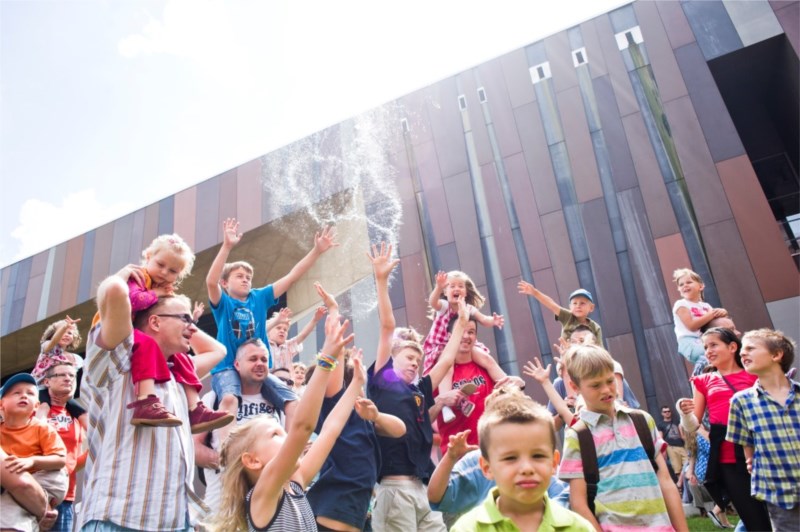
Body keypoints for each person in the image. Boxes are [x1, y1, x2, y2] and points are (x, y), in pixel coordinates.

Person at [79, 268, 226, 530]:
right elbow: (114, 291)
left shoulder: (178, 372)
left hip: (175, 522)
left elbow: (219, 350)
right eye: (185, 319)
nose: (193, 328)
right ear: (155, 323)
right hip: (118, 520)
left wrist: (180, 314)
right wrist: (136, 281)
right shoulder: (119, 363)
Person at [208, 312, 355, 531]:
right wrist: (326, 360)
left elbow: (330, 431)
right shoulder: (263, 496)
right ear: (253, 461)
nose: (287, 437)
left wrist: (356, 385)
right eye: (275, 434)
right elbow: (302, 428)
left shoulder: (295, 483)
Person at [206, 218, 337, 443]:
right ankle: (224, 449)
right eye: (239, 276)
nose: (246, 280)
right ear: (225, 283)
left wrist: (316, 251)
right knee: (229, 399)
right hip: (227, 367)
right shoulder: (224, 304)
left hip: (260, 368)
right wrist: (227, 246)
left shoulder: (260, 297)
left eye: (248, 277)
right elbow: (210, 282)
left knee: (292, 401)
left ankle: (288, 447)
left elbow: (292, 276)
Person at [366, 242, 463, 532]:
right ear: (393, 357)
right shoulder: (382, 379)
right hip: (393, 487)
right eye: (409, 357)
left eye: (418, 360)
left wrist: (459, 326)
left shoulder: (419, 389)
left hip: (422, 486)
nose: (415, 363)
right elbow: (386, 326)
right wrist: (381, 281)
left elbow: (445, 361)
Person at [101, 233, 233, 432]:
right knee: (148, 343)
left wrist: (182, 320)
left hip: (141, 332)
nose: (164, 272)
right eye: (160, 264)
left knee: (182, 358)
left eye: (172, 271)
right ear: (148, 257)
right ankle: (145, 400)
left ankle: (195, 407)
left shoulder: (161, 287)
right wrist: (156, 294)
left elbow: (218, 350)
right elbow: (130, 299)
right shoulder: (138, 277)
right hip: (123, 332)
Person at [559, 344, 687, 531]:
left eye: (610, 381)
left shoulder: (642, 421)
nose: (606, 390)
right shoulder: (578, 436)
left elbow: (666, 482)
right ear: (574, 386)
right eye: (595, 385)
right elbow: (578, 503)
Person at [450, 386, 593, 531]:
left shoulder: (579, 528)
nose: (527, 468)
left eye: (538, 456)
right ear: (487, 467)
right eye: (511, 458)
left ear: (554, 462)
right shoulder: (466, 529)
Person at [676, 327, 772, 531]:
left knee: (782, 514)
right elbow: (694, 424)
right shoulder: (703, 380)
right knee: (754, 520)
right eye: (705, 347)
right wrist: (684, 413)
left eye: (713, 345)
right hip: (728, 458)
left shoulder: (755, 375)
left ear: (732, 347)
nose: (708, 351)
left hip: (765, 452)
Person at [193, 338, 298, 514]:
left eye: (264, 360)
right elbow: (194, 448)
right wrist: (235, 465)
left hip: (265, 508)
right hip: (223, 506)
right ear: (237, 364)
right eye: (253, 359)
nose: (259, 364)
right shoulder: (213, 399)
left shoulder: (278, 404)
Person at [727, 329, 799, 531]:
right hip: (780, 496)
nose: (742, 353)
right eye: (742, 350)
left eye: (750, 348)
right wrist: (752, 462)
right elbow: (746, 447)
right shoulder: (741, 402)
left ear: (776, 355)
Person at [429, 313, 524, 455]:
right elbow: (424, 417)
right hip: (457, 457)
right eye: (461, 331)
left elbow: (512, 397)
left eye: (471, 332)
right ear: (450, 336)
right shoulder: (437, 373)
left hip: (493, 452)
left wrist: (519, 384)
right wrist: (442, 400)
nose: (467, 336)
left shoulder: (484, 364)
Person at [423, 270, 505, 422]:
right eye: (451, 286)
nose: (456, 289)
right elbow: (433, 302)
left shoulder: (468, 308)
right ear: (446, 292)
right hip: (443, 345)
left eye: (460, 286)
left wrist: (493, 321)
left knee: (486, 358)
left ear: (466, 292)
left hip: (462, 344)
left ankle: (508, 385)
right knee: (447, 367)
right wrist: (438, 288)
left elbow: (483, 319)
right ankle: (446, 408)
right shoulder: (444, 306)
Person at [0, 373, 67, 532]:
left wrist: (32, 461)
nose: (23, 395)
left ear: (36, 406)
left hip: (44, 474)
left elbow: (60, 459)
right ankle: (38, 518)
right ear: (1, 404)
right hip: (15, 481)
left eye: (30, 393)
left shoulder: (41, 428)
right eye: (16, 393)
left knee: (55, 477)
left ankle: (43, 510)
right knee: (9, 509)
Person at [40, 362, 87, 532]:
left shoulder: (76, 417)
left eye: (72, 375)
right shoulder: (34, 407)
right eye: (61, 375)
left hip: (65, 496)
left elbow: (75, 460)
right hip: (33, 491)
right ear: (47, 382)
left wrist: (96, 450)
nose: (68, 378)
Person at [671, 268, 728, 373]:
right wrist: (712, 314)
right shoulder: (681, 304)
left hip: (705, 340)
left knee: (722, 351)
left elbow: (715, 322)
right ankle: (699, 377)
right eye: (681, 284)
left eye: (689, 282)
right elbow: (692, 326)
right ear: (679, 289)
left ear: (700, 286)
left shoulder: (706, 306)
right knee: (713, 352)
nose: (685, 286)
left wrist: (722, 312)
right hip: (689, 341)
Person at [32, 315, 86, 422]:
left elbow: (72, 377)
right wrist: (65, 326)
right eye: (63, 331)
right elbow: (53, 342)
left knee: (82, 412)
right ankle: (38, 429)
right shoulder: (48, 347)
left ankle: (98, 437)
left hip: (60, 391)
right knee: (44, 406)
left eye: (70, 333)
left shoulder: (76, 359)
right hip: (40, 387)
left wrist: (70, 394)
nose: (66, 334)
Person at [518, 281, 604, 345]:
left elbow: (600, 348)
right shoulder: (568, 317)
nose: (578, 306)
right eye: (575, 303)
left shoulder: (595, 327)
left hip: (586, 359)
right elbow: (551, 304)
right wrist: (535, 293)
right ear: (570, 307)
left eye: (582, 303)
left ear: (591, 307)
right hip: (567, 357)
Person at [685, 425, 733, 528]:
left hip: (701, 471)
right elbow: (713, 447)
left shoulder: (692, 438)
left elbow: (691, 456)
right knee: (730, 492)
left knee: (718, 496)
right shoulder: (701, 436)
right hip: (711, 468)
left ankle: (725, 522)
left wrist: (691, 471)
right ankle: (714, 511)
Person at [267, 305, 326, 369]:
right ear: (269, 332)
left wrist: (315, 319)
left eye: (285, 330)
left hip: (284, 378)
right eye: (278, 328)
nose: (282, 331)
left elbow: (303, 335)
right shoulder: (264, 343)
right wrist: (277, 320)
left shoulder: (288, 345)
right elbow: (262, 331)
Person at [657, 406, 687, 486]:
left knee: (687, 464)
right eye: (665, 412)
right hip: (670, 447)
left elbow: (681, 434)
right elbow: (661, 438)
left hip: (681, 445)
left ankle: (680, 483)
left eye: (668, 411)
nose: (667, 413)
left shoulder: (676, 421)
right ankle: (682, 487)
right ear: (662, 413)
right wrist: (663, 451)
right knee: (677, 469)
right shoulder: (660, 424)